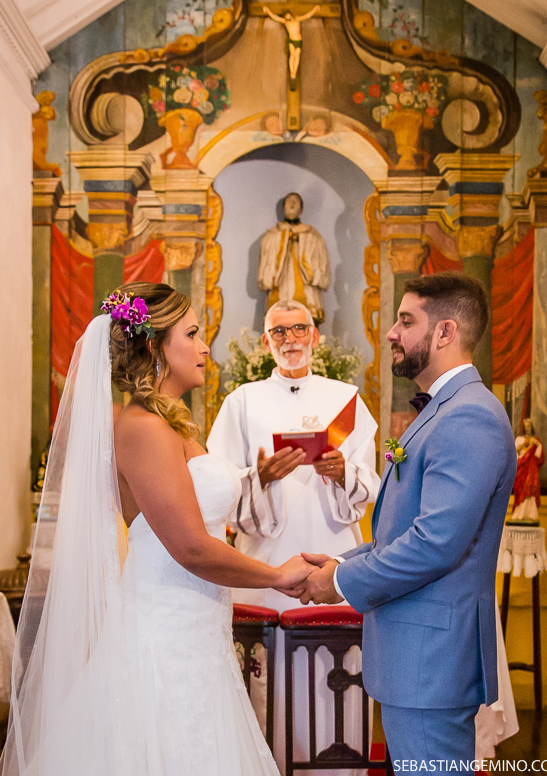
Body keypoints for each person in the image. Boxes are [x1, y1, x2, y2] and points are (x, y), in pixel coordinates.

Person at [0, 282, 315, 776]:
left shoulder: (172, 424)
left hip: (195, 628)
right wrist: (276, 576)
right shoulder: (143, 427)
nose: (206, 346)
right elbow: (189, 546)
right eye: (191, 333)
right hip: (163, 636)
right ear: (154, 346)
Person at [295, 273, 517, 768]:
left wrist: (340, 581)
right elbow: (401, 532)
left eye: (406, 320)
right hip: (417, 660)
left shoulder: (468, 416)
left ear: (445, 333)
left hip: (430, 663)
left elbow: (434, 544)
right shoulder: (442, 411)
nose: (392, 333)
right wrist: (335, 560)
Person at [207, 298, 380, 773]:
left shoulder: (345, 399)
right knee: (270, 674)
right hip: (265, 566)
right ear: (266, 342)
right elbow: (218, 488)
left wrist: (343, 471)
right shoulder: (240, 402)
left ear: (315, 336)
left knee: (337, 673)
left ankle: (339, 765)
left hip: (334, 553)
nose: (290, 340)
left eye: (299, 329)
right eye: (279, 332)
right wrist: (259, 478)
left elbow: (372, 483)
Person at [257, 193, 330, 323]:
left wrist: (301, 240)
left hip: (304, 282)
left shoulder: (310, 233)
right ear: (283, 208)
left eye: (296, 201)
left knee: (307, 320)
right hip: (282, 283)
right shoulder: (273, 234)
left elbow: (319, 252)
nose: (292, 203)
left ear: (301, 209)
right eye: (289, 201)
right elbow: (267, 251)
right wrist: (284, 238)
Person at [511, 417, 544, 521]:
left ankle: (531, 515)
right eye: (526, 427)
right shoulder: (520, 439)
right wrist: (523, 445)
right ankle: (519, 514)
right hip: (521, 469)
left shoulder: (536, 440)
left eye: (529, 426)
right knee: (521, 489)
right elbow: (515, 454)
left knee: (531, 489)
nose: (528, 428)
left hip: (531, 468)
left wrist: (537, 444)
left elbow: (539, 456)